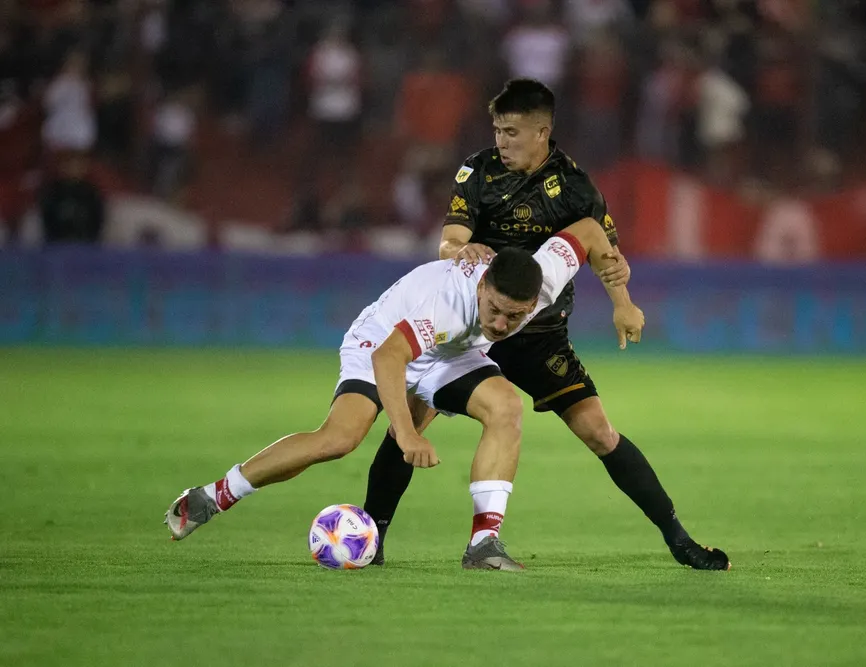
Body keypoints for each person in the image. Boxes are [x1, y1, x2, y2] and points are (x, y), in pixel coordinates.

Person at [363, 78, 731, 571]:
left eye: (512, 132)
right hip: (474, 324)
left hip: (538, 332)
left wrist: (623, 301)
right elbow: (450, 239)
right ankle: (371, 535)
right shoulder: (477, 169)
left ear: (543, 132)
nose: (501, 142)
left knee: (600, 432)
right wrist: (458, 251)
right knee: (408, 421)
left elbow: (602, 245)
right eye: (497, 130)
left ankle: (680, 541)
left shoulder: (575, 186)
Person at [164, 218, 644, 571]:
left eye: (513, 319)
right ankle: (213, 496)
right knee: (340, 438)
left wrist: (621, 300)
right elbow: (390, 360)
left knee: (506, 406)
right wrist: (407, 432)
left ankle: (484, 545)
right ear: (483, 287)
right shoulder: (447, 303)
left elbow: (586, 230)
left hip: (449, 353)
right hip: (381, 342)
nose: (502, 324)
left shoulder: (539, 279)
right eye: (495, 311)